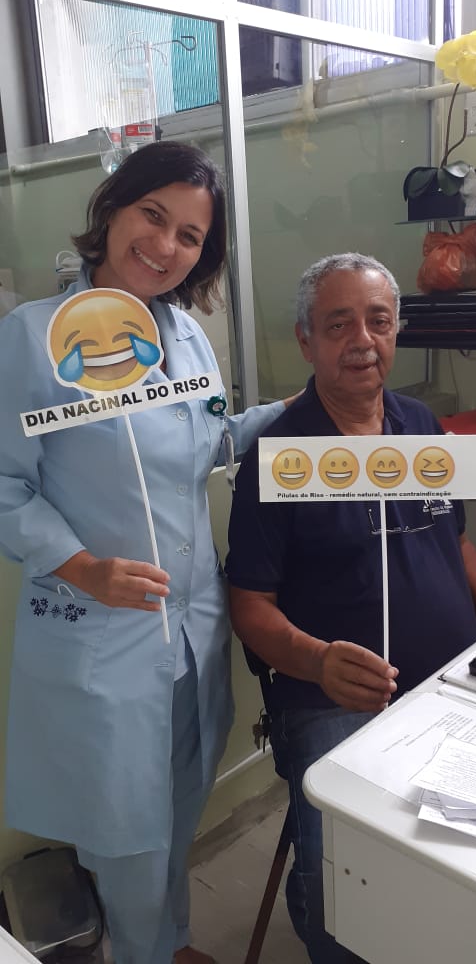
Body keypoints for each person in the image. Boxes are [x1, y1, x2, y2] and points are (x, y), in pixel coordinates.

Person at [0, 141, 294, 964]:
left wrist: (294, 410)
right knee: (124, 830)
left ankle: (165, 943)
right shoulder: (32, 338)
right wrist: (80, 566)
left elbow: (207, 444)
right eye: (152, 216)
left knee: (175, 801)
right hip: (104, 632)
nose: (165, 246)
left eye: (189, 236)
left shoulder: (185, 338)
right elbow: (3, 482)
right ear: (112, 211)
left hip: (193, 624)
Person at [226, 252, 476, 964]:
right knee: (345, 874)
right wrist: (316, 661)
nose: (362, 340)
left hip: (452, 676)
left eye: (377, 321)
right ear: (305, 341)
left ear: (396, 329)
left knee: (465, 847)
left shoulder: (422, 424)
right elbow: (248, 604)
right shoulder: (277, 457)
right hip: (328, 697)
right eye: (338, 325)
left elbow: (456, 540)